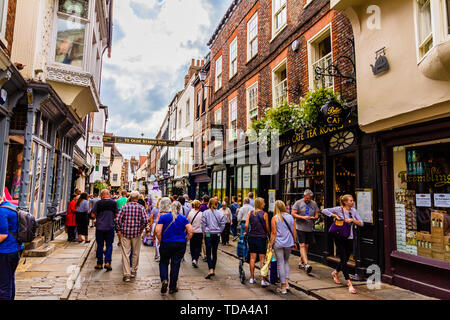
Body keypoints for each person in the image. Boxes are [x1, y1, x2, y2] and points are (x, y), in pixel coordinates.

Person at [322, 194, 364, 294]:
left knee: (345, 258)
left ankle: (335, 272)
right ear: (345, 202)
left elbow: (361, 223)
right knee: (343, 259)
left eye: (352, 200)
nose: (352, 202)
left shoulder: (354, 211)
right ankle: (349, 284)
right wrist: (334, 215)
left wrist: (353, 220)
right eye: (350, 200)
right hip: (339, 236)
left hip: (350, 237)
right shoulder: (338, 209)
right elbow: (324, 210)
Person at [155, 199, 194, 294]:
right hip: (179, 244)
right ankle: (172, 287)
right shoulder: (183, 218)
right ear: (179, 209)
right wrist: (186, 239)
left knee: (163, 262)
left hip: (166, 243)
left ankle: (164, 280)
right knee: (175, 265)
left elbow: (157, 231)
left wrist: (160, 240)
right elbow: (191, 231)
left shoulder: (163, 217)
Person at [115, 191, 148, 282]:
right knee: (136, 252)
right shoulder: (141, 207)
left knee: (125, 253)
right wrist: (141, 228)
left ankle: (127, 275)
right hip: (136, 233)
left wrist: (120, 228)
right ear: (137, 199)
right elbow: (145, 220)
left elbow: (118, 220)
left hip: (125, 233)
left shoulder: (124, 207)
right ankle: (133, 271)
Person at [270, 200, 297, 294]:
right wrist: (294, 241)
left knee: (280, 263)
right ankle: (287, 283)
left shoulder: (274, 218)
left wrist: (270, 244)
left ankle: (283, 288)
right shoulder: (290, 217)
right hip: (288, 243)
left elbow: (274, 233)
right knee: (286, 262)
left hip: (278, 243)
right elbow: (294, 231)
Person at [0, 193, 24, 300]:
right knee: (10, 278)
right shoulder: (12, 206)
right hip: (17, 248)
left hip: (6, 250)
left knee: (3, 284)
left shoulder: (2, 211)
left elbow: (3, 235)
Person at [291, 189, 320, 273]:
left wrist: (315, 217)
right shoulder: (298, 203)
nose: (308, 199)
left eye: (309, 198)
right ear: (304, 196)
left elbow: (317, 213)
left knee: (306, 246)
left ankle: (301, 262)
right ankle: (306, 264)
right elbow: (293, 213)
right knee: (302, 245)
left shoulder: (314, 203)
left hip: (309, 228)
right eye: (307, 198)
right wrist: (303, 217)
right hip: (300, 227)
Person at [245, 197, 270, 287]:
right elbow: (267, 227)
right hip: (262, 238)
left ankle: (252, 278)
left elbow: (247, 225)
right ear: (260, 204)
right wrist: (268, 233)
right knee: (262, 259)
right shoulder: (265, 214)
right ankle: (263, 279)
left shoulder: (250, 213)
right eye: (263, 203)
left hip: (252, 237)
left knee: (252, 258)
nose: (265, 204)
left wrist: (247, 232)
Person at [91, 189, 118, 271]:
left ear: (102, 195)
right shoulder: (114, 203)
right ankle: (108, 262)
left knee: (100, 245)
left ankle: (99, 263)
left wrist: (98, 217)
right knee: (109, 245)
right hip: (110, 226)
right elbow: (116, 215)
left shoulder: (98, 203)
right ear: (109, 195)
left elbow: (93, 215)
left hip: (100, 227)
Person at [201, 198, 226, 279]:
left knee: (208, 252)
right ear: (217, 204)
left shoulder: (205, 213)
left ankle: (210, 269)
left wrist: (204, 231)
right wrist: (219, 231)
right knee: (214, 252)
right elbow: (223, 224)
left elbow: (203, 223)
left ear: (209, 204)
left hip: (208, 234)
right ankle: (213, 270)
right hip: (216, 234)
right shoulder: (220, 213)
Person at [187, 200, 202, 268]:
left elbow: (188, 222)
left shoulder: (190, 213)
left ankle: (193, 258)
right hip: (199, 232)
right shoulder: (201, 214)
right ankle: (195, 259)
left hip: (192, 232)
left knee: (192, 246)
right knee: (198, 246)